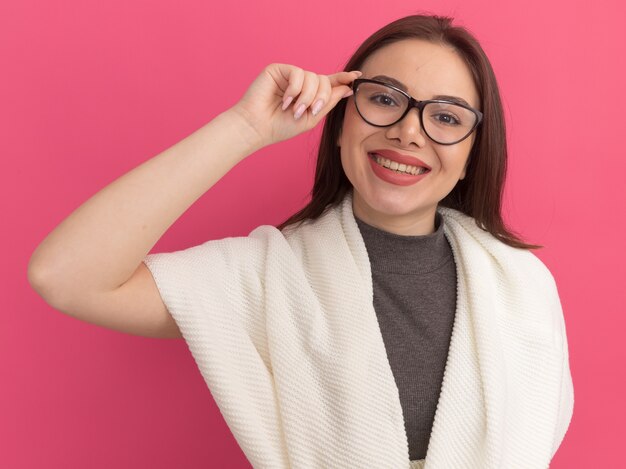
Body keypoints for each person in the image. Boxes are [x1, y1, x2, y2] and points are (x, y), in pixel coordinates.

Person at [28, 14, 574, 469]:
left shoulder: (522, 288)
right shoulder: (265, 276)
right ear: (340, 121)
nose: (409, 131)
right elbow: (66, 277)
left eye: (447, 116)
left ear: (472, 155)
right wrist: (246, 126)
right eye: (385, 100)